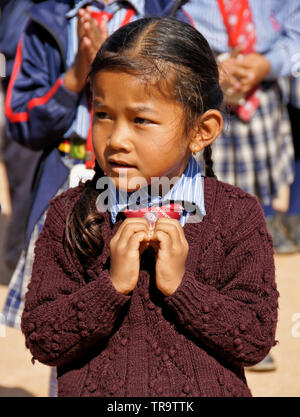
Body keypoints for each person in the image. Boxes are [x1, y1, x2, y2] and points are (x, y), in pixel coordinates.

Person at [21, 17, 279, 397]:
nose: (116, 140)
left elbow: (254, 339)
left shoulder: (235, 215)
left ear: (201, 131)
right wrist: (110, 289)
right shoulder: (70, 215)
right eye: (104, 114)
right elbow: (43, 338)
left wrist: (182, 287)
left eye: (141, 120)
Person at [184, 0, 300, 255]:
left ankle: (262, 222)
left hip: (264, 78)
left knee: (260, 172)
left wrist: (267, 64)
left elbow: (295, 28)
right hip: (204, 79)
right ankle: (210, 234)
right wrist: (204, 66)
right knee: (206, 174)